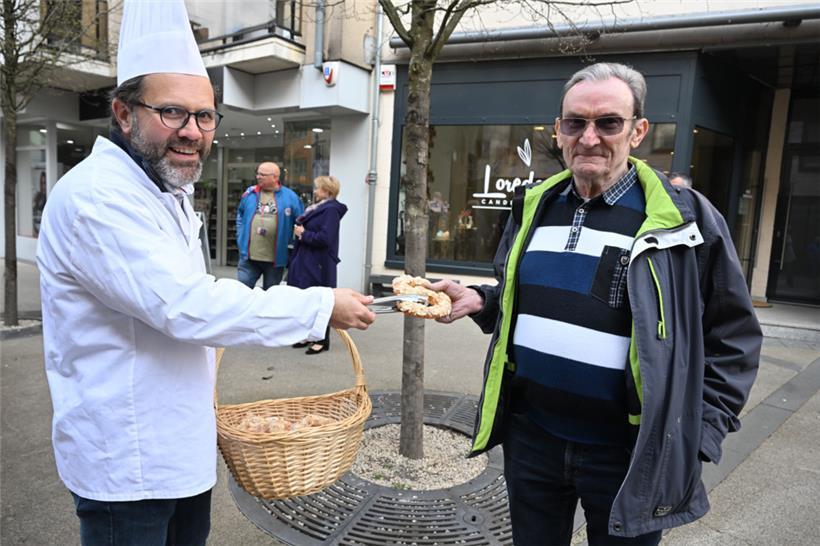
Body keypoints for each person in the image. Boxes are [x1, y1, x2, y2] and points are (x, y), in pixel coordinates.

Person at [35, 2, 375, 545]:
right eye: (172, 112)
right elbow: (185, 305)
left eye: (205, 116)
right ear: (123, 113)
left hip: (180, 449)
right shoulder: (97, 198)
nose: (192, 131)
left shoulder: (162, 191)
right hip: (128, 462)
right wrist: (319, 305)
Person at [429, 62, 761, 545]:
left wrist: (699, 436)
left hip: (628, 454)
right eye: (575, 123)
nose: (588, 138)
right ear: (558, 130)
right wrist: (482, 300)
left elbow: (734, 337)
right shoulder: (533, 206)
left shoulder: (684, 219)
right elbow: (524, 299)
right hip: (532, 441)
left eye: (608, 122)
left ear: (637, 131)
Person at [287, 175, 347, 355]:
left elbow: (325, 238)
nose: (315, 191)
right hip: (306, 260)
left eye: (318, 188)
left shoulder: (330, 211)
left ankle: (321, 340)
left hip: (318, 263)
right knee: (306, 299)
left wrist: (303, 234)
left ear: (327, 191)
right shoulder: (318, 208)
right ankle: (308, 335)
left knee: (320, 300)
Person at [235, 161, 303, 289]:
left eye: (263, 175)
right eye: (258, 173)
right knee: (241, 292)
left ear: (275, 177)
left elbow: (300, 222)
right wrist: (241, 236)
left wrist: (292, 246)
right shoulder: (250, 193)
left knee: (271, 294)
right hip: (249, 258)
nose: (258, 177)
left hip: (275, 260)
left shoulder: (291, 197)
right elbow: (240, 214)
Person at [32, 171, 47, 236]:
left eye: (44, 183)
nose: (43, 186)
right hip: (36, 229)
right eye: (41, 183)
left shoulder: (48, 196)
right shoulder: (38, 196)